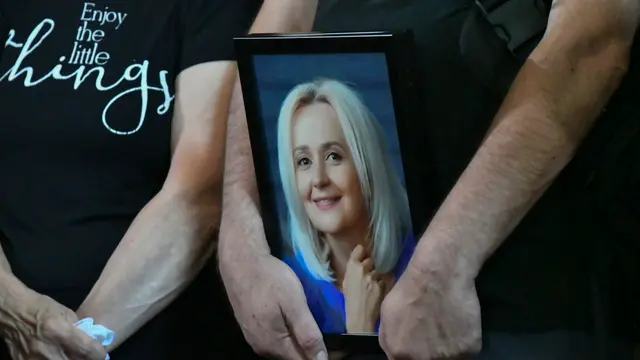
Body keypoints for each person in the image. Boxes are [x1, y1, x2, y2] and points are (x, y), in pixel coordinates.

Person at [220, 0, 640, 359]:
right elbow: (276, 30)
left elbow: (593, 38)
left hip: (522, 301)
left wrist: (443, 263)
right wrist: (239, 235)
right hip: (353, 320)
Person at [0, 0, 262, 359]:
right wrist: (13, 306)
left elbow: (200, 192)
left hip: (145, 336)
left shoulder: (211, 8)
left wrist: (74, 345)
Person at [276, 79, 415, 334]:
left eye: (333, 156)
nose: (319, 179)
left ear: (367, 164)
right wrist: (359, 327)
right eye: (304, 161)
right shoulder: (288, 289)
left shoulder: (425, 261)